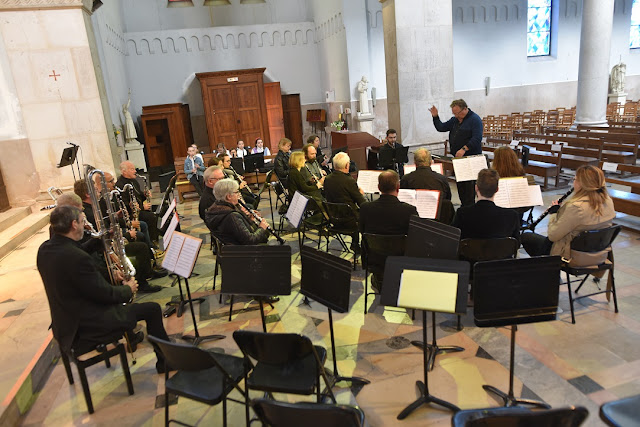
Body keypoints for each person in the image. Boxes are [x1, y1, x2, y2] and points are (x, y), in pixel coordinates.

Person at [37, 205, 171, 373]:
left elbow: (76, 251)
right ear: (74, 224)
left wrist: (101, 240)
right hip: (86, 325)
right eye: (82, 221)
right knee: (152, 309)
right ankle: (165, 362)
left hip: (64, 321)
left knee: (137, 307)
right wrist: (128, 290)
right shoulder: (77, 258)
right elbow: (104, 294)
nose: (84, 225)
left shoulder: (46, 249)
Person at [521, 165, 616, 259]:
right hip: (597, 253)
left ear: (581, 184)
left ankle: (546, 269)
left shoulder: (576, 207)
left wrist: (554, 214)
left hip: (573, 255)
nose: (573, 183)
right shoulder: (608, 201)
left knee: (527, 237)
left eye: (575, 179)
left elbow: (553, 236)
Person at [360, 170, 418, 290]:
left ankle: (379, 278)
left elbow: (362, 231)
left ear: (379, 187)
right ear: (398, 187)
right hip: (400, 259)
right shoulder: (409, 210)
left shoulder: (365, 208)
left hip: (374, 258)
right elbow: (415, 238)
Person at [429, 99, 483, 207]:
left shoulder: (475, 120)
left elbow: (477, 138)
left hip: (471, 159)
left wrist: (464, 148)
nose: (456, 116)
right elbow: (441, 127)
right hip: (458, 159)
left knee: (469, 188)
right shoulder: (455, 120)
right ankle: (464, 208)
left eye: (457, 113)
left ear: (465, 109)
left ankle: (470, 209)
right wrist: (435, 116)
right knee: (461, 186)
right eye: (454, 113)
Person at [452, 169, 520, 241]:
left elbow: (453, 239)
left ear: (476, 188)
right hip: (499, 252)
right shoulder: (512, 216)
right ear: (497, 189)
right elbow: (516, 243)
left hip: (470, 252)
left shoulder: (462, 213)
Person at [205, 179, 270, 245]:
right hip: (242, 251)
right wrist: (262, 228)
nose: (239, 195)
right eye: (236, 192)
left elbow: (236, 231)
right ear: (229, 196)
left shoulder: (214, 209)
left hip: (230, 250)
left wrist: (249, 220)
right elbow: (250, 240)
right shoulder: (232, 215)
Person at [323, 152, 366, 252]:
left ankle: (355, 243)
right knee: (367, 215)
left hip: (333, 218)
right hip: (350, 221)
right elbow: (362, 203)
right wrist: (361, 193)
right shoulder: (349, 181)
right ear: (347, 165)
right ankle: (361, 246)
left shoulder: (327, 179)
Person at [116, 161, 160, 244]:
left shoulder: (134, 181)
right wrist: (143, 207)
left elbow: (138, 196)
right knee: (151, 217)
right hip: (132, 213)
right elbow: (124, 205)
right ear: (124, 171)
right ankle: (152, 242)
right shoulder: (120, 185)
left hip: (139, 209)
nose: (135, 171)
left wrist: (145, 195)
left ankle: (155, 237)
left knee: (158, 210)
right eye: (132, 169)